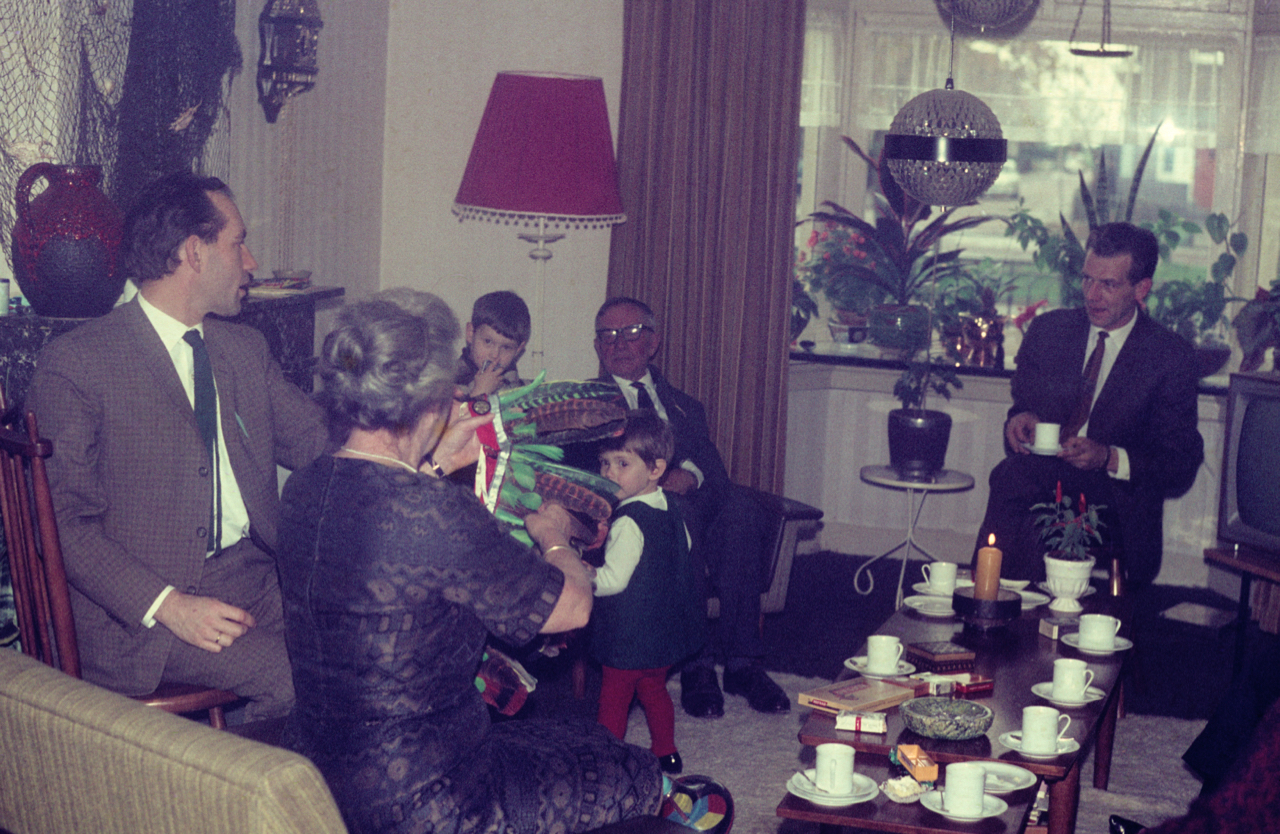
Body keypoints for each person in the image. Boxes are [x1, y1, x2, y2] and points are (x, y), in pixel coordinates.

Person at [277, 290, 721, 834]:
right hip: (432, 799)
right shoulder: (437, 513)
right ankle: (672, 804)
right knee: (622, 767)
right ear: (434, 399)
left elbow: (383, 521)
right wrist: (553, 536)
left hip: (316, 776)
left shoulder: (304, 487)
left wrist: (437, 461)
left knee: (561, 737)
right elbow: (571, 608)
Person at [27, 171, 328, 719]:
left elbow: (318, 440)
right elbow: (62, 523)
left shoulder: (243, 350)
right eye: (238, 242)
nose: (251, 261)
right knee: (295, 678)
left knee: (368, 649)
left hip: (256, 578)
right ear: (195, 252)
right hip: (145, 617)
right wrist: (169, 606)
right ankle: (223, 799)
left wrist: (413, 439)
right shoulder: (79, 363)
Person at [585, 297, 789, 717]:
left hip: (690, 497)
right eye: (608, 335)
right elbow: (586, 472)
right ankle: (697, 667)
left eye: (632, 333)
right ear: (598, 346)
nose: (619, 343)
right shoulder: (587, 406)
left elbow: (712, 468)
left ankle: (741, 663)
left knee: (741, 512)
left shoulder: (684, 406)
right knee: (681, 519)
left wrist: (689, 474)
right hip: (635, 513)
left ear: (654, 342)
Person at [972, 222, 1203, 585]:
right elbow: (1024, 404)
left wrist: (1108, 457)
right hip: (1044, 483)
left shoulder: (1169, 357)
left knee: (1016, 481)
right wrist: (1020, 419)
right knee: (1027, 495)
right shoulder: (1050, 332)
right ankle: (1017, 608)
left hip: (1115, 503)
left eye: (1108, 284)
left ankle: (989, 596)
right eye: (1087, 279)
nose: (1092, 295)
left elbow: (1180, 463)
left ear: (1141, 288)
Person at [591, 410, 707, 775]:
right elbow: (683, 553)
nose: (609, 472)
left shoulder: (627, 521)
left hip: (627, 636)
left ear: (656, 469)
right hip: (662, 634)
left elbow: (613, 580)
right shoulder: (673, 508)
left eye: (622, 463)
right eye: (604, 463)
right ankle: (666, 751)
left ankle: (607, 761)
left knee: (614, 699)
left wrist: (581, 575)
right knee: (655, 691)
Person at [455, 289, 530, 398]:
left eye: (506, 347)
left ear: (518, 349)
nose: (495, 355)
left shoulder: (524, 391)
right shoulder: (445, 387)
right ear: (471, 333)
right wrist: (479, 393)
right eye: (488, 341)